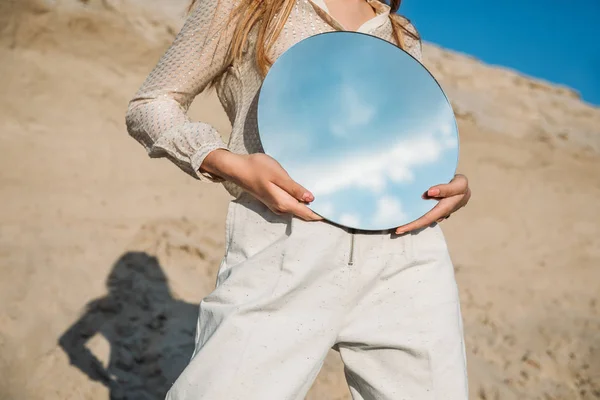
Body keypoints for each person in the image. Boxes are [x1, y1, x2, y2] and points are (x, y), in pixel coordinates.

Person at [125, 0, 472, 399]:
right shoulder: (247, 5)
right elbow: (152, 104)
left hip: (407, 256)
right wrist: (227, 163)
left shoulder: (400, 33)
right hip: (287, 243)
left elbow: (401, 146)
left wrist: (451, 185)